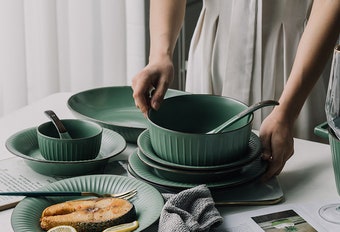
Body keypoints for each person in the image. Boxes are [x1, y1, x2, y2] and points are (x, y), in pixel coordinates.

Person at [132, 0, 340, 180]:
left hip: (293, 66)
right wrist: (160, 54)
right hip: (212, 54)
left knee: (292, 193)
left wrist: (288, 110)